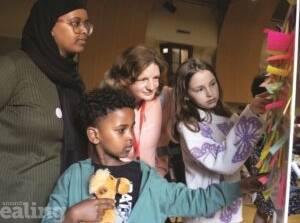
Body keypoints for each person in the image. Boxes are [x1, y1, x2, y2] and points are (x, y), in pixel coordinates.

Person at [42, 86, 266, 223]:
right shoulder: (73, 177)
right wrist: (72, 217)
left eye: (132, 127)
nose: (131, 136)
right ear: (94, 135)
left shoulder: (148, 178)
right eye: (121, 130)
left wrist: (239, 188)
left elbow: (194, 200)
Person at [0, 0, 93, 221]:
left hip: (58, 209)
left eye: (86, 25)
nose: (83, 31)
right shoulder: (14, 68)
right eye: (75, 23)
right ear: (49, 26)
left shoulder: (73, 82)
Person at [170, 59, 271, 223]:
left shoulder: (229, 117)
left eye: (212, 84)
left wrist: (247, 184)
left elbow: (238, 163)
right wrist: (251, 112)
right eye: (200, 89)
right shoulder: (190, 126)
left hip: (231, 209)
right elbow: (223, 162)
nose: (210, 93)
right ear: (186, 95)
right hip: (204, 212)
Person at [100, 44, 173, 176]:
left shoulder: (161, 97)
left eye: (155, 78)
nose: (152, 87)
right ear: (124, 80)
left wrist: (160, 172)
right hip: (117, 181)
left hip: (149, 182)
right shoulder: (106, 107)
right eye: (144, 79)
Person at [244, 73, 275, 223]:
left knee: (264, 209)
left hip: (259, 168)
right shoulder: (263, 114)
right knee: (270, 209)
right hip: (264, 168)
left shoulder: (253, 114)